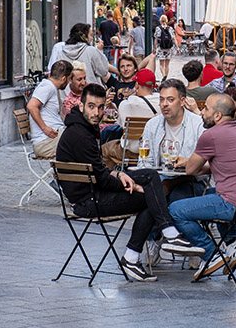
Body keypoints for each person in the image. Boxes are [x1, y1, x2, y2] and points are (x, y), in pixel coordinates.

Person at [56, 83, 204, 283]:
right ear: (81, 106)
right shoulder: (80, 134)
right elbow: (101, 179)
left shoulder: (83, 129)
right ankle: (153, 243)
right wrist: (131, 185)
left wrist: (117, 175)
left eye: (100, 107)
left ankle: (145, 249)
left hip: (92, 193)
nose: (96, 112)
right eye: (91, 106)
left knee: (151, 181)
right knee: (150, 193)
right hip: (89, 202)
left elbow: (98, 169)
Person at [169, 93, 236, 279]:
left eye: (206, 108)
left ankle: (211, 254)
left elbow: (191, 170)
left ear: (217, 116)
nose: (202, 113)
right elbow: (223, 165)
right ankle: (232, 241)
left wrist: (189, 162)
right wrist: (194, 164)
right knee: (209, 193)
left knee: (175, 209)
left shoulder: (212, 135)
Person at [136, 80, 206, 202]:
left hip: (189, 180)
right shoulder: (153, 124)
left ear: (183, 101)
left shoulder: (198, 125)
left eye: (170, 100)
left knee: (175, 199)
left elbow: (203, 170)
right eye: (162, 99)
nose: (164, 104)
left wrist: (172, 183)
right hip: (158, 177)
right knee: (144, 199)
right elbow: (145, 161)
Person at [99, 69, 161, 168]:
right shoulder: (162, 102)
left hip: (132, 152)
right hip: (156, 151)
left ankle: (113, 177)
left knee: (103, 149)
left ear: (136, 85)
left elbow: (120, 125)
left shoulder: (127, 104)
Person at [27, 60, 73, 158]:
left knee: (82, 136)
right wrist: (44, 127)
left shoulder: (51, 87)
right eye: (69, 79)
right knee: (82, 140)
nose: (69, 82)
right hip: (45, 142)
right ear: (63, 78)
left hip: (53, 138)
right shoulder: (48, 87)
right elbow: (31, 106)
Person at [153, 15, 175, 80]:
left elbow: (156, 39)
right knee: (167, 65)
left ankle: (164, 76)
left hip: (161, 48)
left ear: (160, 20)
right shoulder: (170, 28)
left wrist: (154, 48)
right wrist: (177, 47)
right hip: (169, 48)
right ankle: (166, 76)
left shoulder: (158, 28)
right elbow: (173, 38)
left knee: (161, 65)